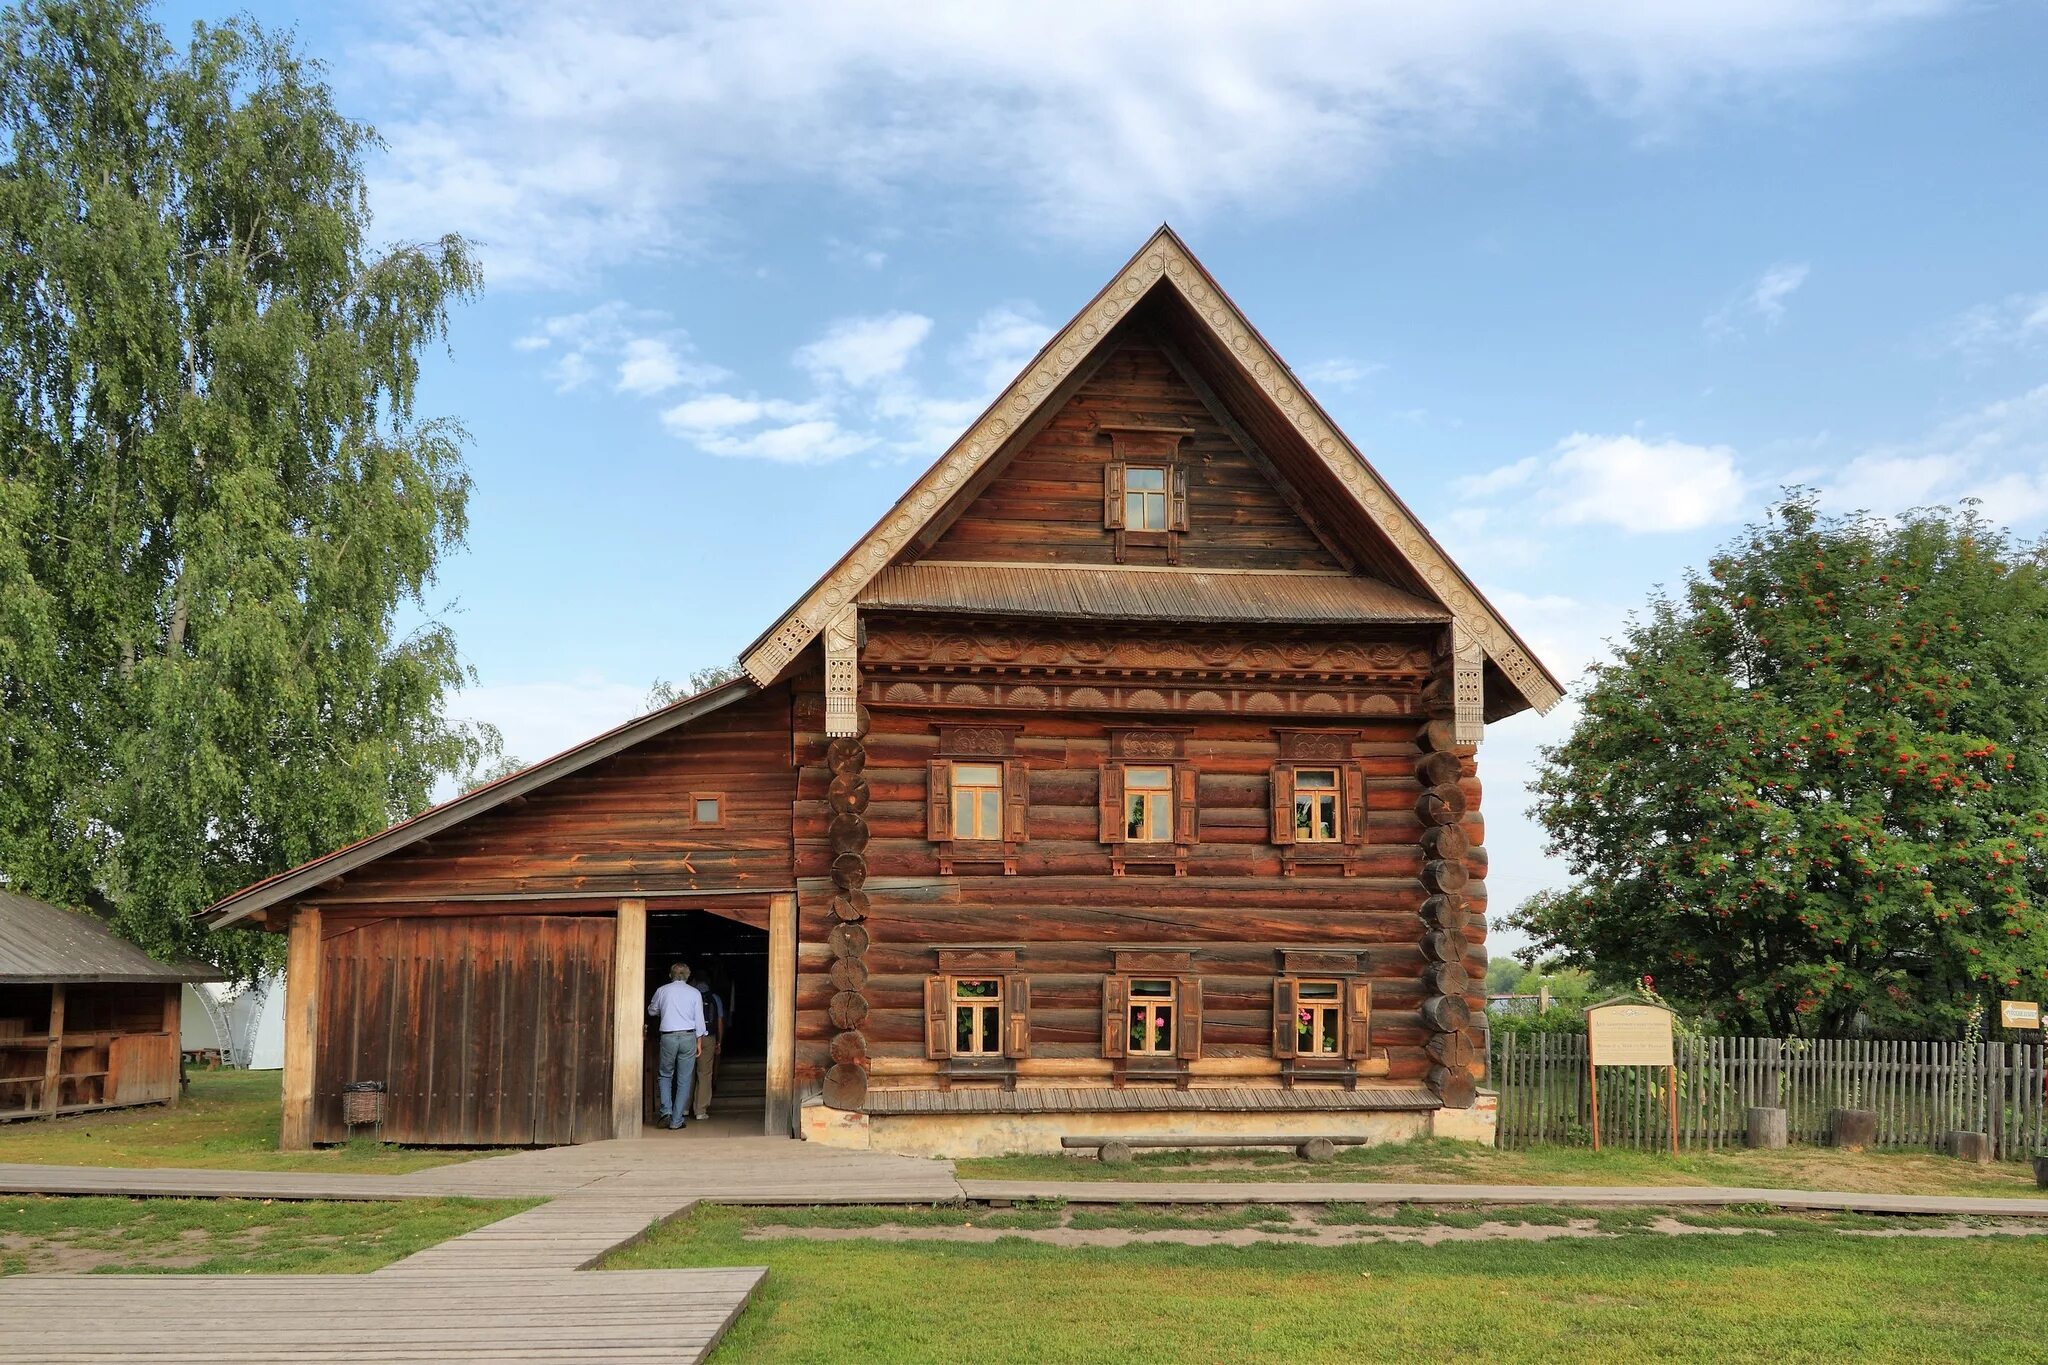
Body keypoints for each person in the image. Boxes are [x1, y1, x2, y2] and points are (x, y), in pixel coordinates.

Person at [646, 961, 707, 1129]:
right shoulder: (694, 993)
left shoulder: (662, 990)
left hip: (668, 1037)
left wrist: (662, 1009)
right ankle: (677, 1120)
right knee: (684, 1079)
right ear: (688, 976)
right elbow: (699, 1020)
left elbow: (652, 1010)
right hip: (688, 1036)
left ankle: (666, 1111)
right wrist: (699, 1042)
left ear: (670, 975)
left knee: (665, 1075)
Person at [692, 970, 726, 1122]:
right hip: (708, 1037)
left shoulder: (690, 995)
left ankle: (684, 1108)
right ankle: (700, 1110)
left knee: (687, 1073)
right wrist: (719, 1041)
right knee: (705, 1074)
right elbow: (719, 1021)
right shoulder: (715, 998)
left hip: (689, 1037)